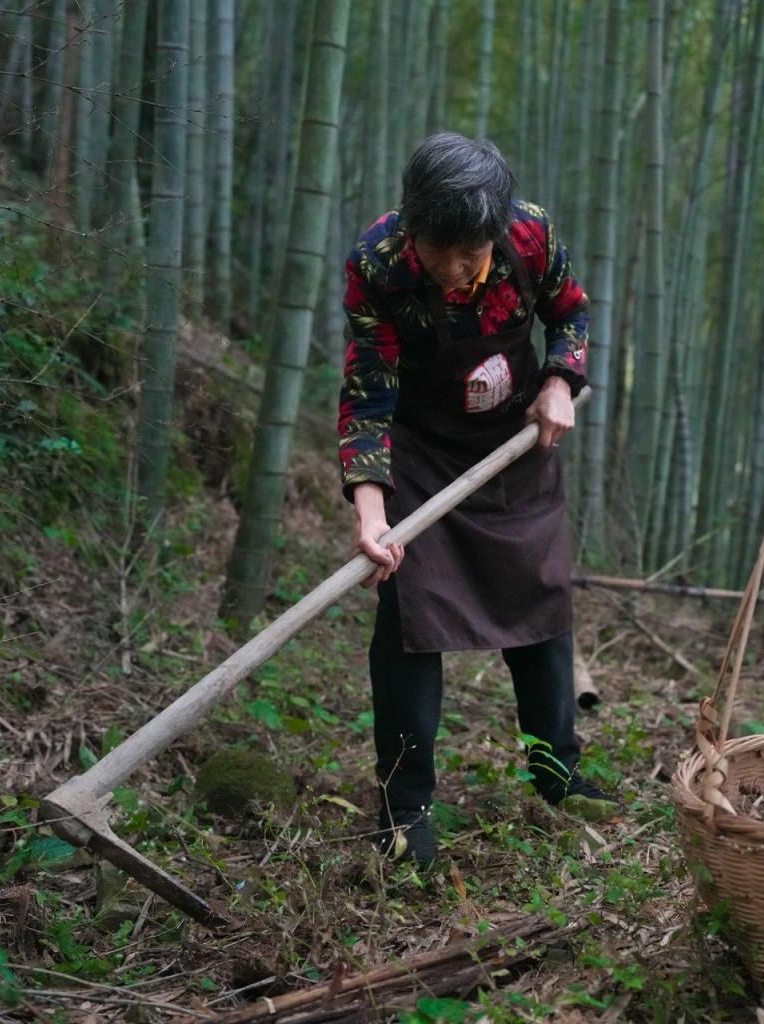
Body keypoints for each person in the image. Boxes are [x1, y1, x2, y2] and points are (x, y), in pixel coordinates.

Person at [338, 133, 614, 868]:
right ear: (412, 226)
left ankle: (557, 775)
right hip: (422, 453)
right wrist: (373, 513)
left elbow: (572, 315)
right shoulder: (378, 264)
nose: (458, 270)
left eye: (473, 253)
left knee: (540, 600)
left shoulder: (530, 235)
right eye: (443, 251)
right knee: (410, 620)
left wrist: (559, 381)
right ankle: (405, 810)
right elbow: (368, 392)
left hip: (514, 444)